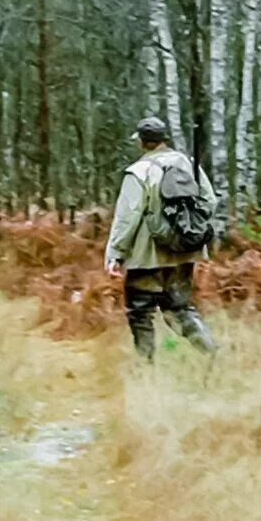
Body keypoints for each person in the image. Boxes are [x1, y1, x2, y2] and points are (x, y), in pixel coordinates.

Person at [104, 117, 218, 361]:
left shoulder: (138, 172)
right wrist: (187, 233)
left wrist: (116, 254)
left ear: (142, 142)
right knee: (180, 309)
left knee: (140, 312)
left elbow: (128, 218)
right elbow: (210, 202)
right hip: (184, 253)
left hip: (146, 257)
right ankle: (211, 355)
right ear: (163, 139)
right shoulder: (188, 164)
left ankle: (146, 367)